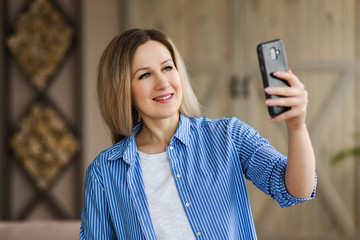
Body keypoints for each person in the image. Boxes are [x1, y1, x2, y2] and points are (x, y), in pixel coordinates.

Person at [80, 28, 316, 240]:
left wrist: (297, 128)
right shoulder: (105, 172)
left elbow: (295, 190)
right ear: (122, 89)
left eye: (167, 68)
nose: (163, 83)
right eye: (145, 75)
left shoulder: (228, 136)